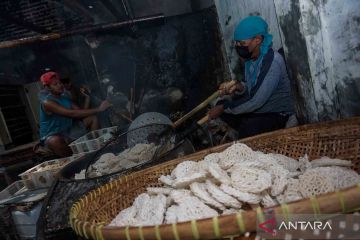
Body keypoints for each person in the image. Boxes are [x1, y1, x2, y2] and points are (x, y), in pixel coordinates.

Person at [208, 16, 295, 138]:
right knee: (222, 104)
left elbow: (255, 101)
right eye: (236, 43)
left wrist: (223, 108)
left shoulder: (272, 62)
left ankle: (247, 133)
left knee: (246, 126)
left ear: (257, 40)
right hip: (260, 110)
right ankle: (244, 130)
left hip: (277, 113)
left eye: (242, 43)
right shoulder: (251, 59)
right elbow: (250, 87)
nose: (238, 46)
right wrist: (239, 87)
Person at [39, 71, 111, 157]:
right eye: (55, 84)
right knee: (54, 140)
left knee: (92, 119)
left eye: (60, 83)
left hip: (68, 130)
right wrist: (99, 109)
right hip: (53, 135)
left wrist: (87, 98)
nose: (60, 85)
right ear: (48, 87)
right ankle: (74, 159)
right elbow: (72, 113)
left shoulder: (64, 97)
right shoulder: (47, 102)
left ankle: (96, 149)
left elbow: (80, 112)